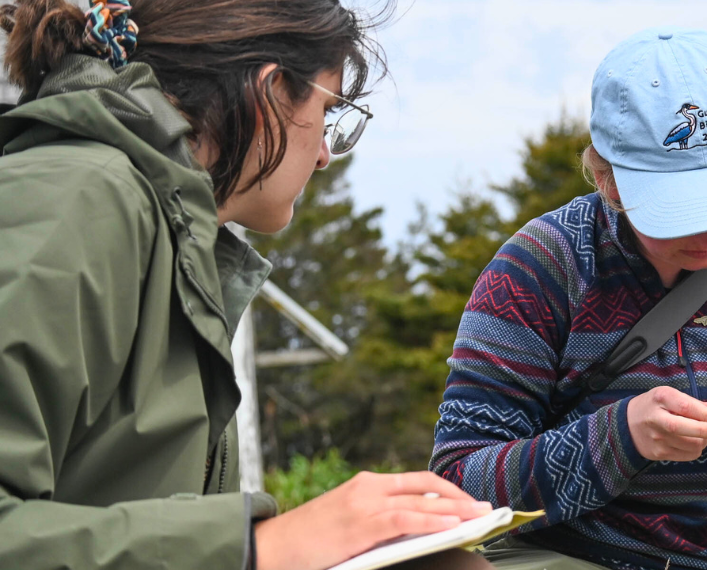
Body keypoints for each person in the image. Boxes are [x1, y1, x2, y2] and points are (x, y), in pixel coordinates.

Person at [0, 1, 494, 568]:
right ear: (270, 94)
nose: (327, 156)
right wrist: (263, 548)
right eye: (329, 111)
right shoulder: (72, 199)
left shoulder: (180, 246)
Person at [430, 27, 707, 570]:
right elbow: (456, 490)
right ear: (610, 180)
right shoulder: (542, 266)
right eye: (679, 210)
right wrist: (618, 438)